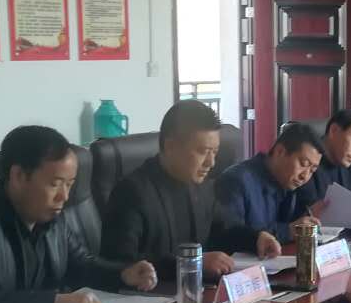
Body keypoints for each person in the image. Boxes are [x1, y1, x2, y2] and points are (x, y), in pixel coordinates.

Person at [0, 126, 156, 303]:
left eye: (69, 185)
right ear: (18, 176)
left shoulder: (52, 219)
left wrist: (122, 274)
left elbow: (81, 266)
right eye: (55, 184)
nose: (64, 196)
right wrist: (53, 302)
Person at [99, 100, 279, 281]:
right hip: (152, 295)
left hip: (198, 291)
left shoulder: (202, 185)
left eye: (214, 152)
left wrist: (255, 238)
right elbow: (122, 266)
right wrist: (193, 263)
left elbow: (223, 230)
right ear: (170, 147)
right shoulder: (132, 192)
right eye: (203, 151)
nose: (211, 163)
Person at [215, 122, 322, 243]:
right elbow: (230, 236)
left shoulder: (288, 184)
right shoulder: (236, 181)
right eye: (303, 164)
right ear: (280, 151)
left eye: (312, 170)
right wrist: (288, 231)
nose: (305, 176)